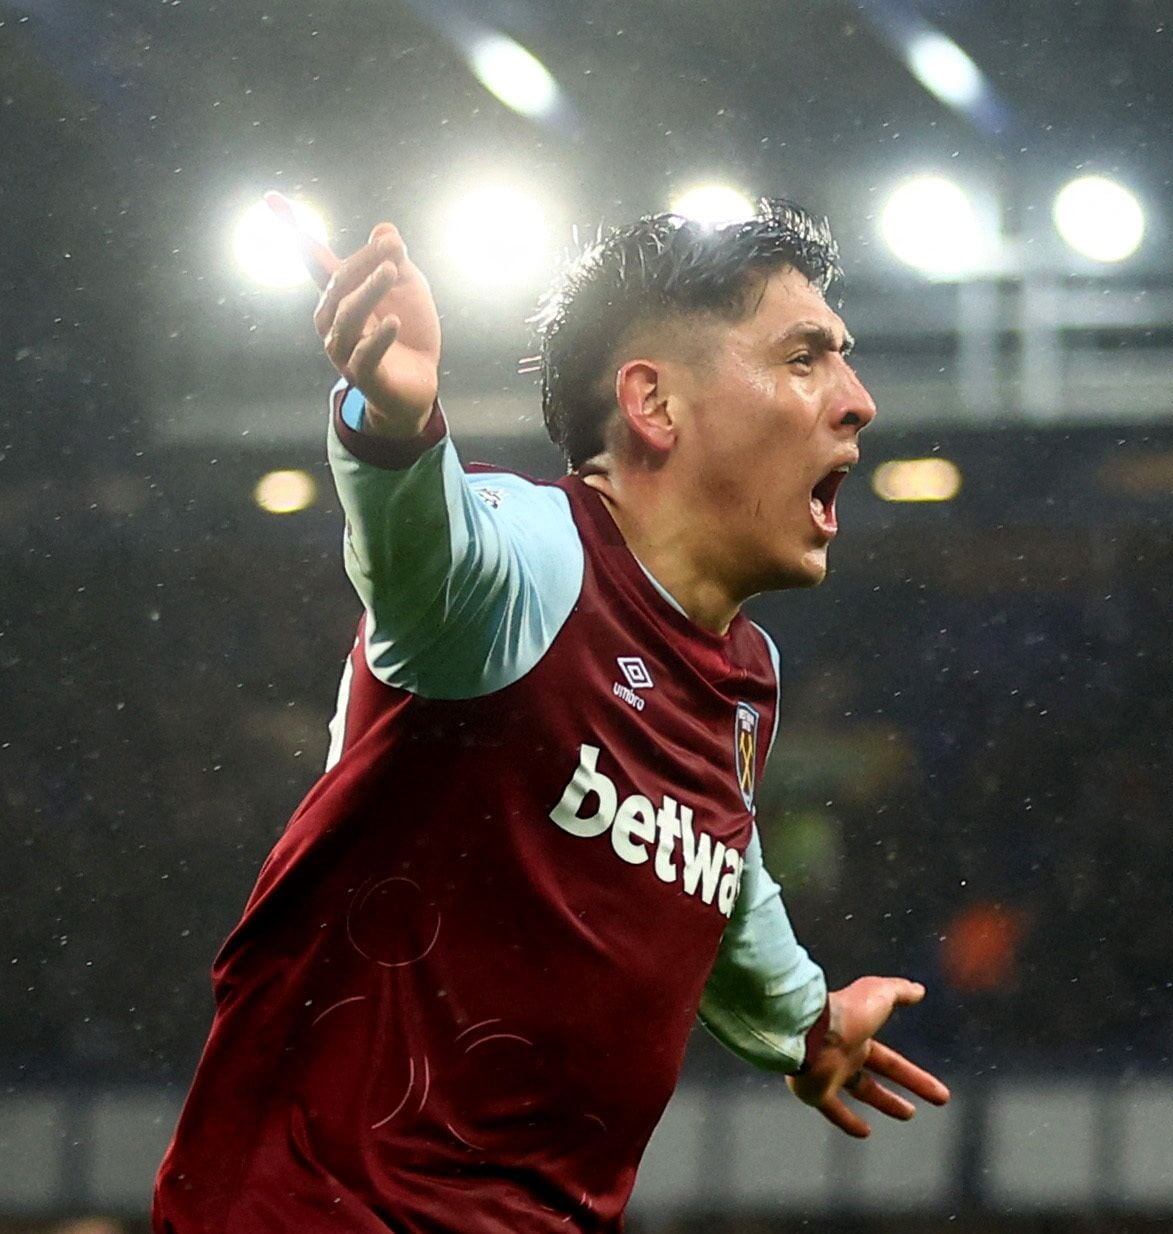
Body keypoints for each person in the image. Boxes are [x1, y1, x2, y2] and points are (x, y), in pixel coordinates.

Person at [152, 195, 949, 1232]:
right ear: (653, 404)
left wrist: (806, 1020)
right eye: (805, 358)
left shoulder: (745, 675)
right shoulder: (530, 561)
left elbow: (718, 863)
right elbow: (426, 551)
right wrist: (395, 427)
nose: (859, 401)